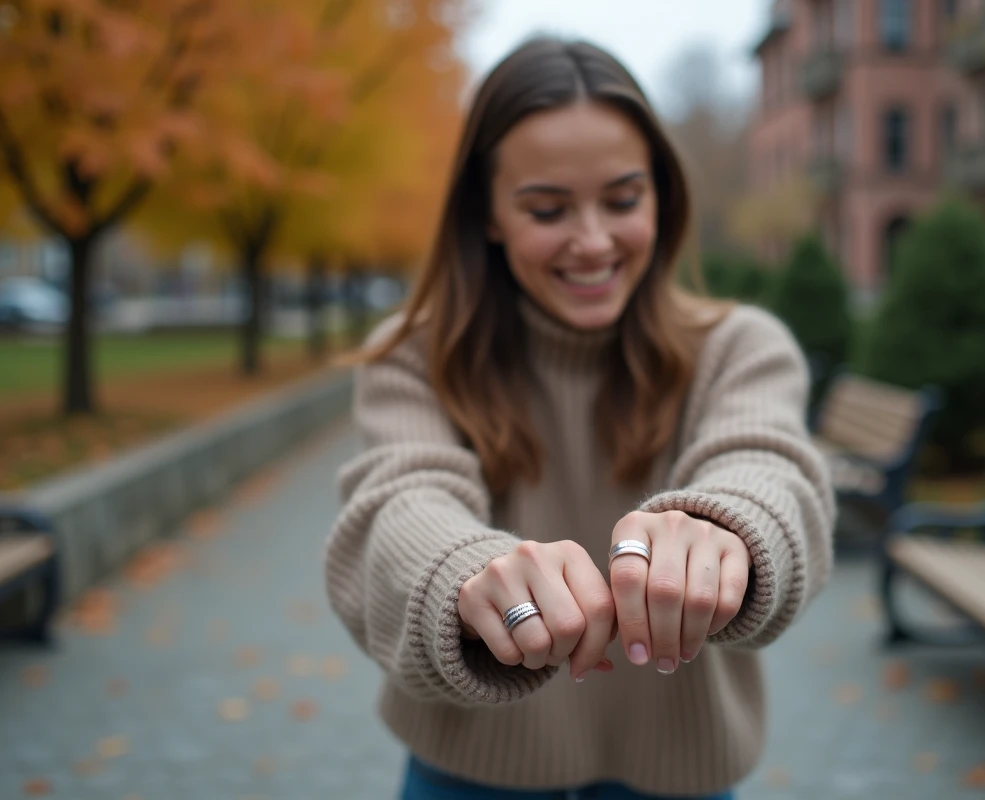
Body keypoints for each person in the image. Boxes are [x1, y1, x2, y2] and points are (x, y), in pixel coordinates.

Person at [324, 37, 835, 800]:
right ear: (488, 214)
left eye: (624, 199)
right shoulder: (413, 357)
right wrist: (467, 573)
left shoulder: (739, 347)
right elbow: (401, 502)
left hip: (677, 775)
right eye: (548, 209)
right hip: (465, 772)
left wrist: (728, 528)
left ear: (661, 197)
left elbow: (768, 465)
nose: (593, 241)